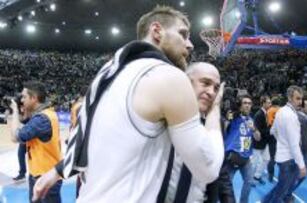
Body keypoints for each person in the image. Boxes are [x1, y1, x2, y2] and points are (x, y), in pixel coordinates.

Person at [32, 6, 224, 203]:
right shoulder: (169, 77)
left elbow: (96, 137)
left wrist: (58, 170)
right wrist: (215, 112)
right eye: (183, 34)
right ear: (157, 31)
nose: (190, 44)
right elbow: (208, 168)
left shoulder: (110, 74)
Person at [164, 62, 222, 202]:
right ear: (185, 82)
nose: (211, 92)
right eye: (205, 83)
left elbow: (220, 175)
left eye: (216, 88)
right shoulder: (160, 117)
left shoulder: (215, 127)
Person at [8, 81, 62, 203]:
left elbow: (15, 137)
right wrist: (23, 110)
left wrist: (15, 111)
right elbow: (25, 121)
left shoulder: (41, 119)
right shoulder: (45, 114)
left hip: (46, 177)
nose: (22, 100)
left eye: (24, 97)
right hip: (42, 173)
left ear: (34, 98)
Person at [263, 86, 307, 203]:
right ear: (289, 98)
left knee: (281, 188)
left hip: (282, 157)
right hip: (290, 159)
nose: (300, 102)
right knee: (281, 191)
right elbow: (294, 145)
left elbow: (273, 131)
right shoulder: (291, 116)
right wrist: (302, 165)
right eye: (297, 99)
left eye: (301, 99)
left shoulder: (281, 111)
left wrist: (282, 141)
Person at [221, 95, 260, 203]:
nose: (247, 105)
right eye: (245, 103)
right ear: (240, 106)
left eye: (249, 103)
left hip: (246, 158)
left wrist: (253, 129)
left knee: (249, 181)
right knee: (225, 184)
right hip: (232, 156)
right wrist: (228, 120)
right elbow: (224, 127)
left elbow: (258, 137)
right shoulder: (234, 117)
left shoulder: (251, 120)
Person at [252, 95, 271, 185]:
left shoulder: (265, 113)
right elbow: (257, 129)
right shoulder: (259, 114)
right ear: (263, 103)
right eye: (268, 102)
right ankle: (249, 178)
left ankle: (257, 175)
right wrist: (269, 130)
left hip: (264, 141)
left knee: (266, 159)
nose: (270, 104)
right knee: (254, 162)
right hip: (258, 142)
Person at [266, 96, 281, 182]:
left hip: (271, 134)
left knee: (272, 157)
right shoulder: (280, 111)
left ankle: (270, 175)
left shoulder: (269, 111)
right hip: (279, 134)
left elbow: (267, 122)